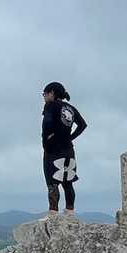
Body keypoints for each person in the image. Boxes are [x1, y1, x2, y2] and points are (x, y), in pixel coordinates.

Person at [42, 81, 87, 215]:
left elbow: (47, 123)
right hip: (68, 150)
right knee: (68, 181)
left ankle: (53, 212)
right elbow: (82, 125)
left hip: (53, 150)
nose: (44, 97)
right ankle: (70, 210)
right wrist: (70, 137)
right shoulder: (70, 108)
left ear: (52, 93)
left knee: (52, 182)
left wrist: (47, 139)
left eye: (45, 94)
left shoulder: (51, 105)